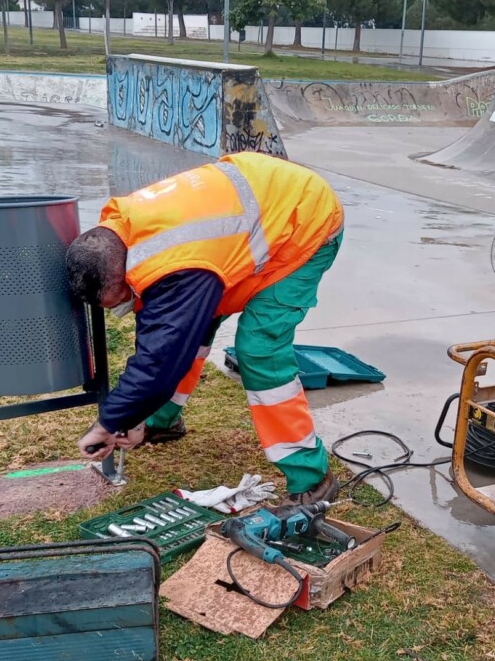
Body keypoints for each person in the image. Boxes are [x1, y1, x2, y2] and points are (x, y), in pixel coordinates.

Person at [65, 152, 344, 504]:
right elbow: (161, 337)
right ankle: (161, 421)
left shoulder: (177, 264)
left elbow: (161, 357)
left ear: (120, 272)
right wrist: (135, 415)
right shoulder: (121, 232)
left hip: (306, 222)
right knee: (192, 328)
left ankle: (312, 478)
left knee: (261, 349)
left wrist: (109, 422)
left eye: (122, 298)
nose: (126, 307)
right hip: (255, 213)